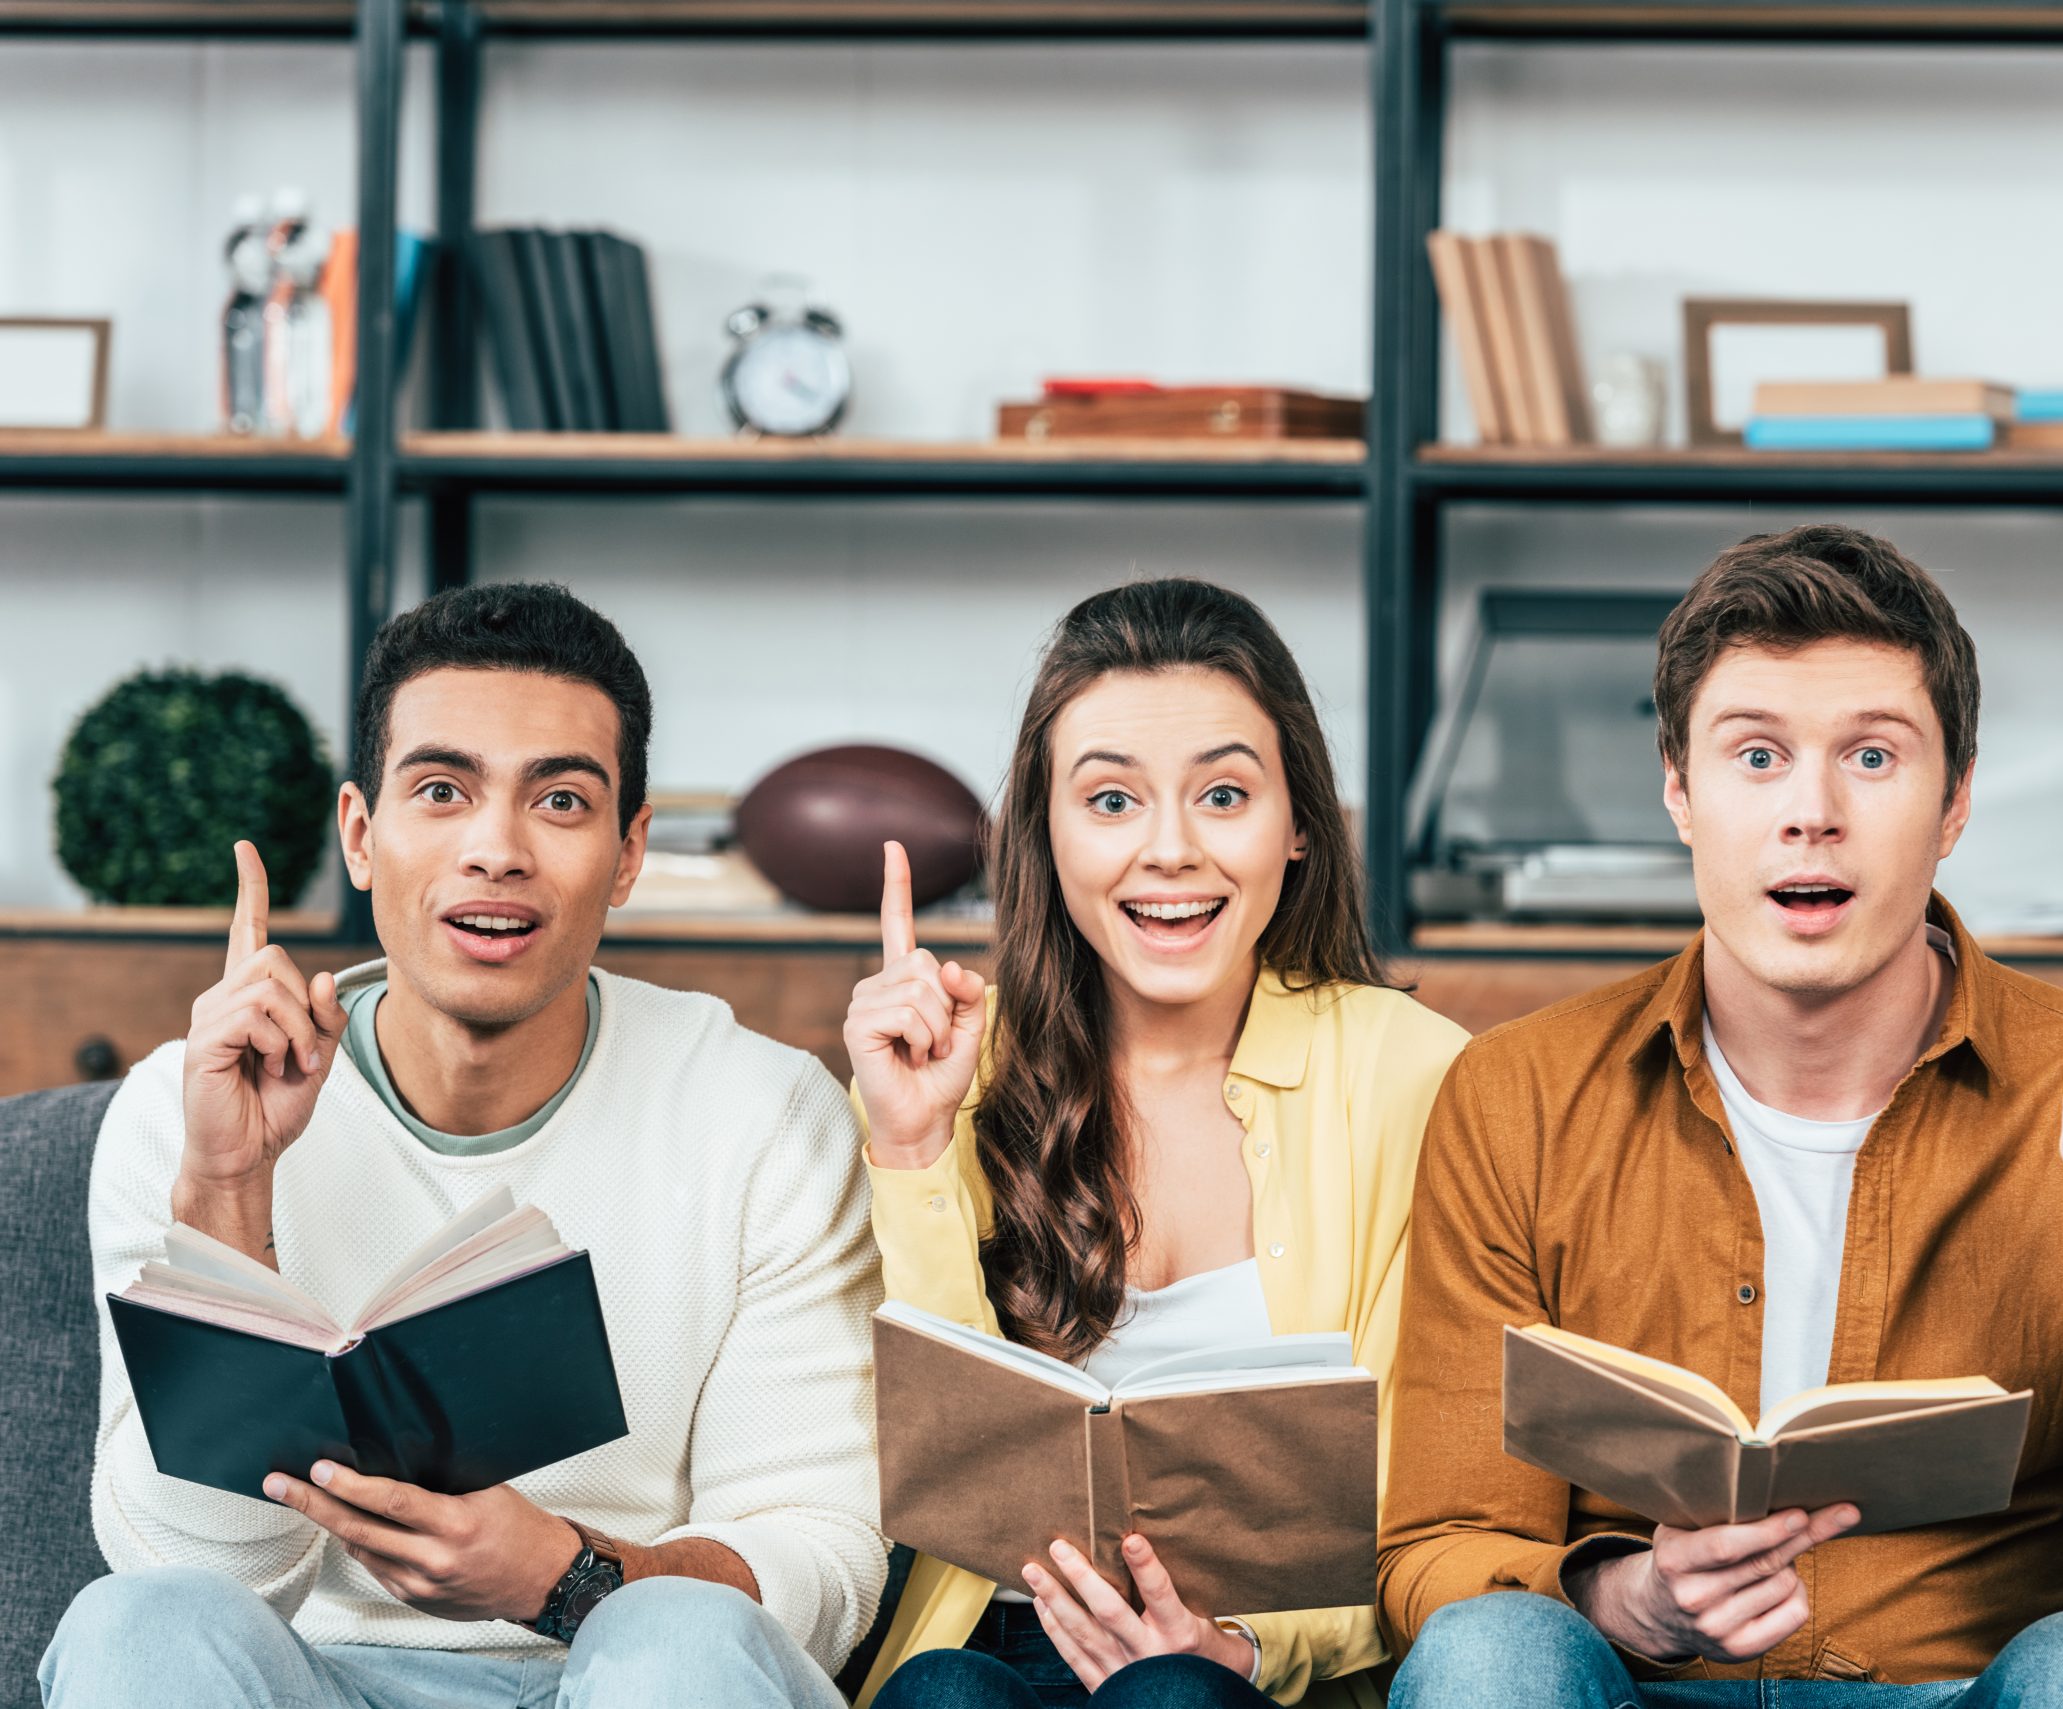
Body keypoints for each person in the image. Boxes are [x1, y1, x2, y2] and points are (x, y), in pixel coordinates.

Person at [1377, 524, 2063, 1707]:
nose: (1810, 811)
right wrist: (1631, 1596)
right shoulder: (1515, 1096)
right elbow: (1437, 1552)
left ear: (1954, 801)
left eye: (1871, 756)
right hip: (1631, 1685)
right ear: (1678, 791)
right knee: (1487, 1653)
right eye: (1756, 755)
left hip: (1957, 1689)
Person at [45, 582, 886, 1709]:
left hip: (616, 1671)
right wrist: (226, 1192)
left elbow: (821, 1564)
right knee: (137, 1624)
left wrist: (565, 1575)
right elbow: (188, 1568)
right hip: (312, 1678)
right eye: (442, 790)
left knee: (683, 1639)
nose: (496, 849)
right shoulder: (183, 1106)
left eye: (561, 800)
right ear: (360, 834)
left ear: (628, 853)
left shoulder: (764, 1111)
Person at [849, 578, 1469, 1709]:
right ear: (1045, 832)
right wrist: (913, 1143)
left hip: (1262, 1669)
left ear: (1298, 826)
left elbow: (1429, 1482)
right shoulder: (948, 1063)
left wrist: (1245, 1646)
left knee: (1170, 1697)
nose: (1171, 849)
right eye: (1111, 800)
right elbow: (938, 1460)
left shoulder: (1414, 1073)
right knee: (941, 1691)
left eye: (1223, 794)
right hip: (1000, 1635)